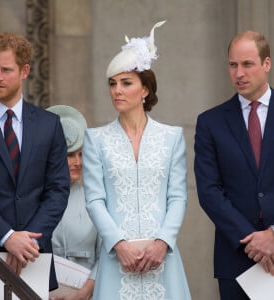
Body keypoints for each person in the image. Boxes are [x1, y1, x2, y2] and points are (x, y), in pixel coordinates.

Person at [82, 21, 192, 299]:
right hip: (116, 259)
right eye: (112, 83)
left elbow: (178, 197)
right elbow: (94, 200)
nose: (117, 90)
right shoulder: (96, 139)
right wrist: (118, 244)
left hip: (162, 259)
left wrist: (162, 243)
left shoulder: (172, 137)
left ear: (145, 90)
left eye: (126, 83)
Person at [0, 32, 70, 299]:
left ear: (25, 70)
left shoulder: (49, 124)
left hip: (33, 259)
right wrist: (7, 237)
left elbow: (58, 189)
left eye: (6, 70)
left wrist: (29, 243)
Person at [194, 30, 274, 300]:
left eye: (247, 64)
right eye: (233, 65)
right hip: (236, 260)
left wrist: (272, 235)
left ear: (266, 64)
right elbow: (209, 192)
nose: (238, 73)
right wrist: (253, 239)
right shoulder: (210, 122)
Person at [47, 105, 101, 300]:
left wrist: (83, 294)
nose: (78, 162)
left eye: (81, 154)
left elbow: (107, 255)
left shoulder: (95, 199)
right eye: (70, 155)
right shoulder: (31, 200)